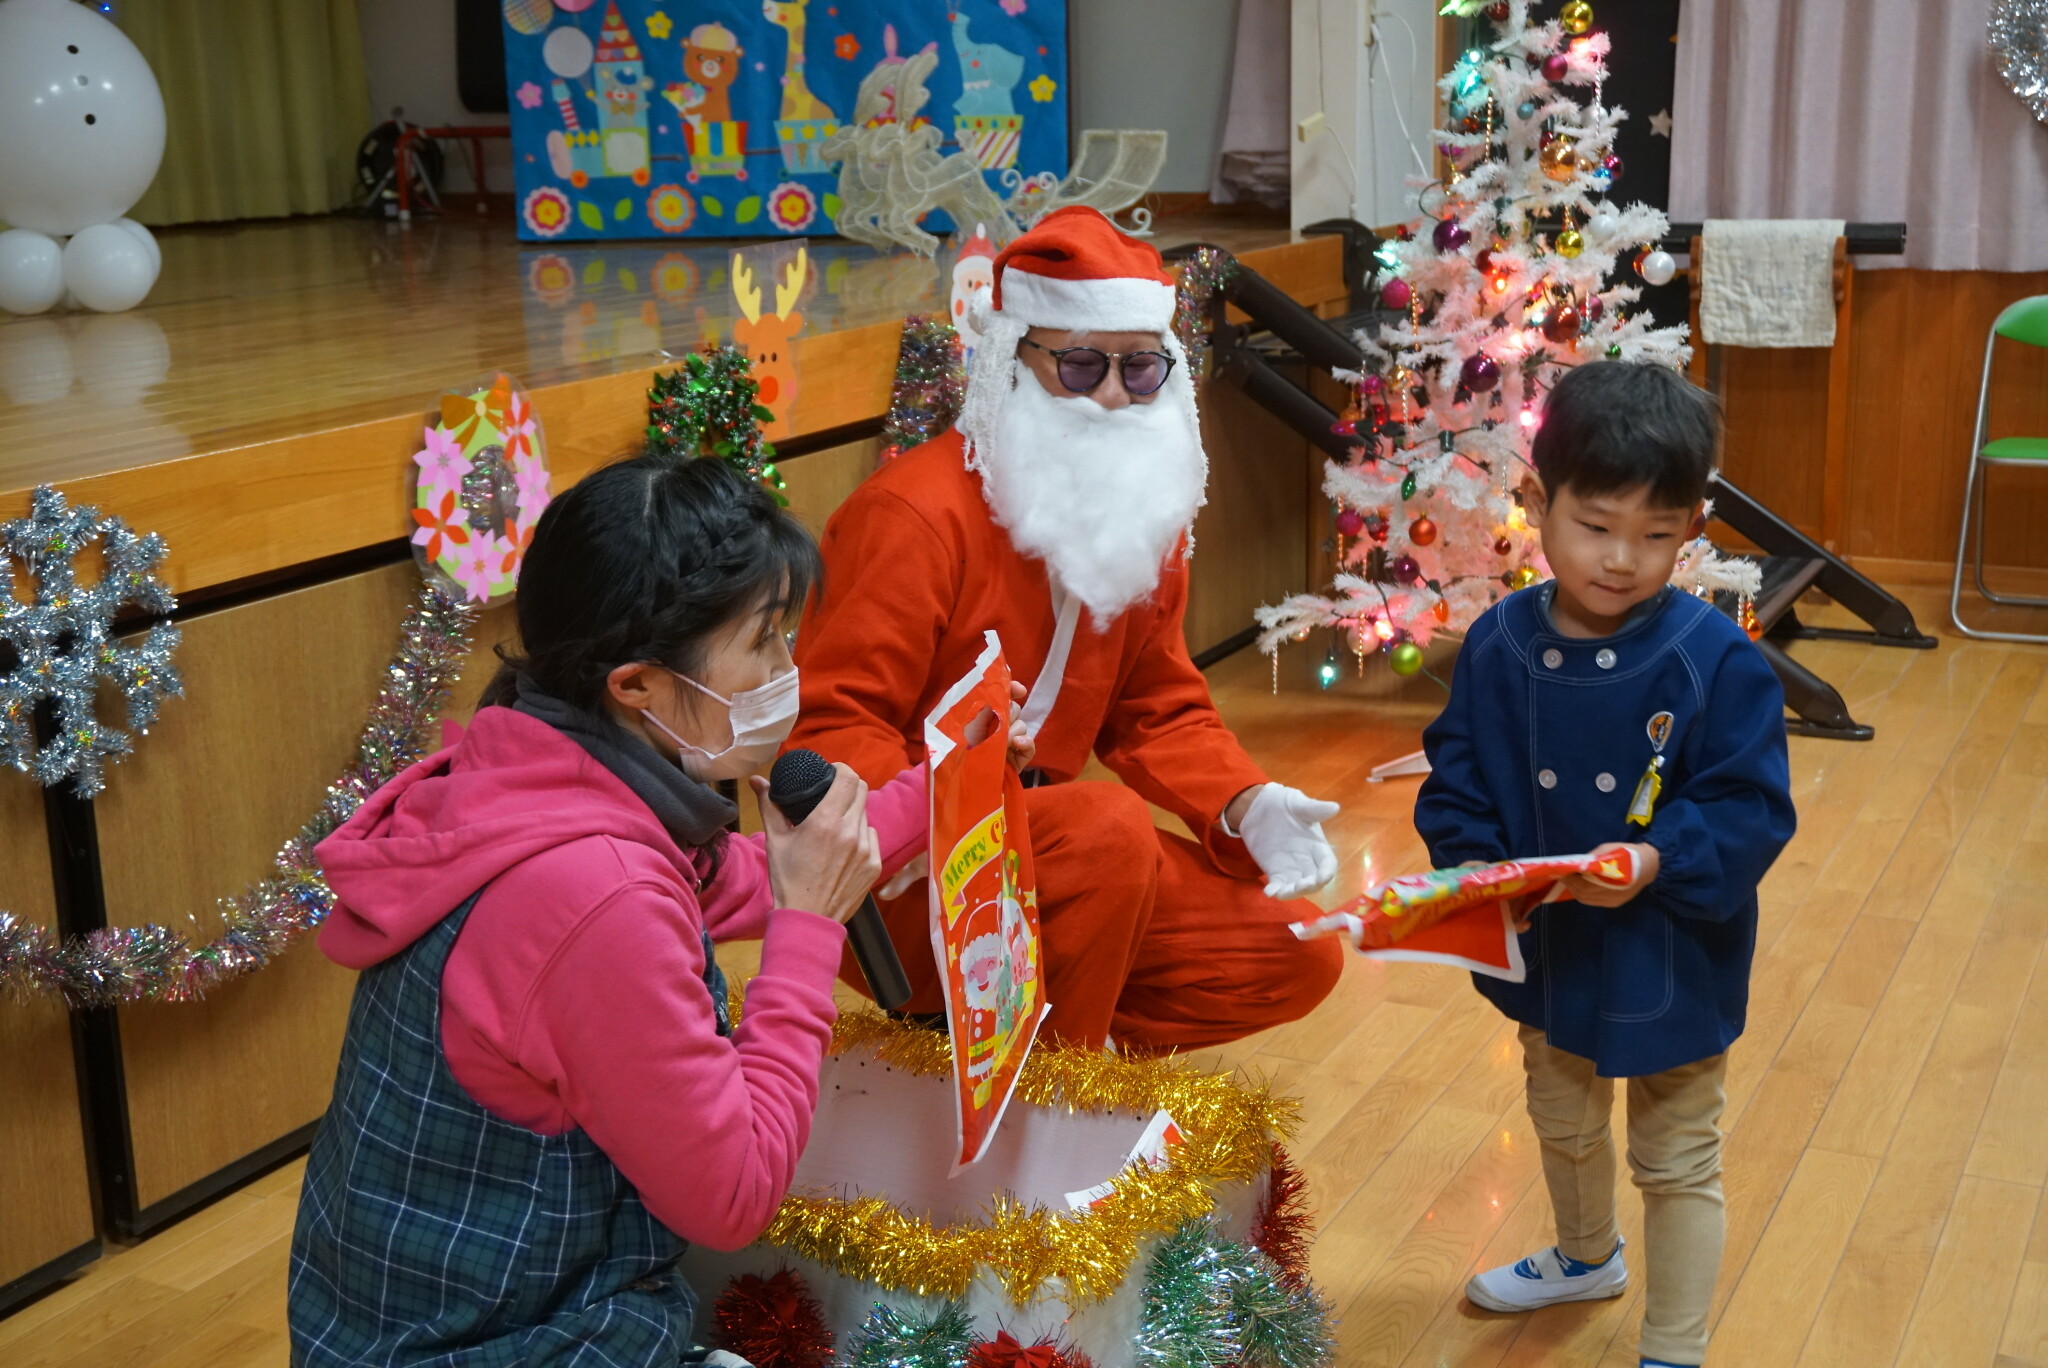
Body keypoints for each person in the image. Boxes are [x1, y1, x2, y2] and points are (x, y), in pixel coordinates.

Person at [288, 455, 930, 1365]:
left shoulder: (529, 762)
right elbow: (734, 1197)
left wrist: (946, 783)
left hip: (385, 1322)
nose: (788, 670)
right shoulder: (596, 896)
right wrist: (809, 932)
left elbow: (738, 878)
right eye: (764, 643)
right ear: (636, 685)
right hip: (502, 1341)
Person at [786, 207, 1345, 1052]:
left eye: (1142, 369)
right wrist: (928, 820)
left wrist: (1244, 803)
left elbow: (1158, 708)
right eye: (1081, 366)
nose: (1114, 396)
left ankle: (1031, 1038)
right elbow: (833, 724)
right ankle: (1053, 1097)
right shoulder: (913, 514)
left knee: (1296, 954)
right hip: (906, 875)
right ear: (1013, 361)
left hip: (1065, 863)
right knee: (1107, 830)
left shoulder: (1142, 520)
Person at [1415, 363, 1797, 1368]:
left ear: (1692, 526)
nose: (1621, 560)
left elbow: (1751, 806)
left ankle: (1673, 1345)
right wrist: (1474, 875)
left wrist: (1656, 856)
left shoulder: (1715, 658)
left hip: (1670, 954)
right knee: (1561, 1117)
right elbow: (1454, 782)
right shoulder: (1497, 644)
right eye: (1594, 526)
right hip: (1551, 948)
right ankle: (1585, 1257)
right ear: (1536, 500)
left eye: (1656, 535)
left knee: (1677, 1157)